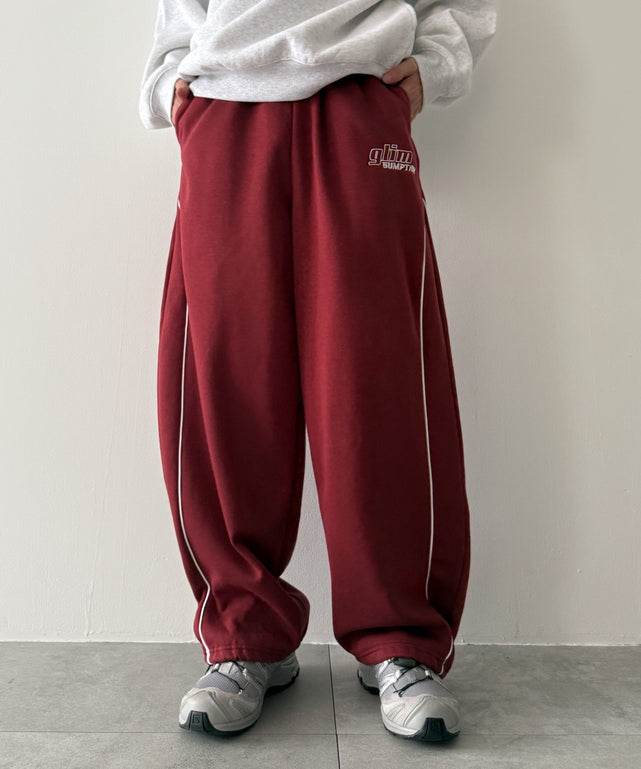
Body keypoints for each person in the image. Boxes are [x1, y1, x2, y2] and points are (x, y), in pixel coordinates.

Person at [139, 0, 497, 744]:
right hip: (225, 106)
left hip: (360, 98)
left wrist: (436, 63)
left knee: (376, 385)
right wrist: (172, 74)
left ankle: (400, 636)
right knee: (226, 381)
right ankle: (244, 634)